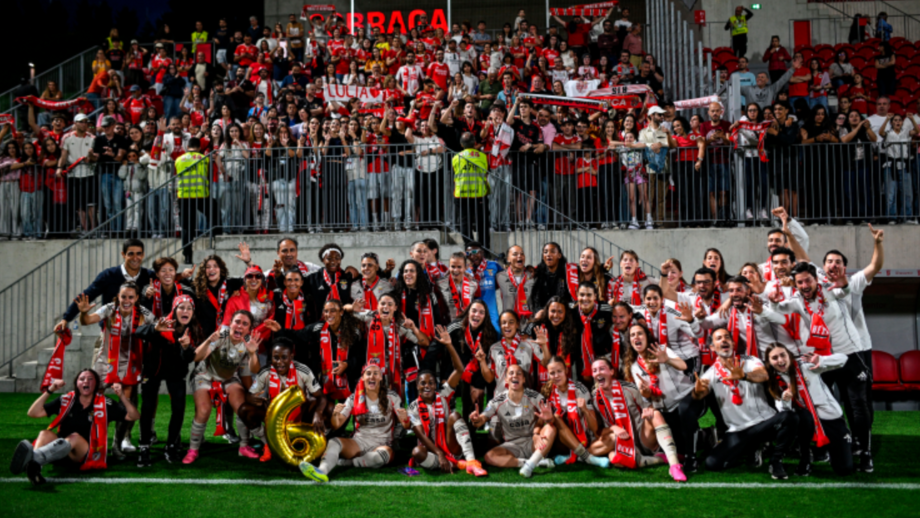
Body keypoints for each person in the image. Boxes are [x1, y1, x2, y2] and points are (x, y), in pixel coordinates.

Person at [768, 262, 874, 471]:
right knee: (812, 402)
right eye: (800, 282)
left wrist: (843, 285)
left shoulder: (829, 289)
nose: (805, 285)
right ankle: (818, 448)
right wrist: (772, 303)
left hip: (849, 354)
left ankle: (864, 453)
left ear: (817, 279)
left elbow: (844, 291)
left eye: (808, 280)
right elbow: (780, 309)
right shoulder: (798, 300)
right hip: (820, 357)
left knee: (857, 405)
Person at [692, 328, 797, 479]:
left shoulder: (749, 360)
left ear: (733, 343)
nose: (724, 340)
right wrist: (697, 392)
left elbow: (764, 374)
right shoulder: (711, 373)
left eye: (727, 337)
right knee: (712, 464)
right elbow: (699, 395)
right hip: (738, 431)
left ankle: (775, 461)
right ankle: (752, 448)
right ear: (712, 348)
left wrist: (745, 376)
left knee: (790, 417)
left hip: (764, 423)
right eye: (719, 338)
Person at [10, 369, 139, 486]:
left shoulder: (105, 402)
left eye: (90, 379)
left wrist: (122, 395)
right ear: (77, 384)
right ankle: (35, 469)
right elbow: (33, 413)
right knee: (45, 433)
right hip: (59, 449)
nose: (86, 381)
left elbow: (134, 416)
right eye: (82, 379)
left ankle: (34, 459)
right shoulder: (66, 399)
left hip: (84, 453)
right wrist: (50, 390)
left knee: (75, 437)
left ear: (96, 384)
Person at [74, 282, 153, 456]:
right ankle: (93, 443)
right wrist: (83, 312)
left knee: (125, 404)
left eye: (131, 297)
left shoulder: (144, 314)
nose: (126, 300)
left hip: (129, 362)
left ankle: (117, 444)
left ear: (137, 298)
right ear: (118, 296)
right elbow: (87, 321)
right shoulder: (109, 309)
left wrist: (158, 329)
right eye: (123, 296)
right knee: (95, 402)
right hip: (105, 360)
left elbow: (158, 329)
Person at [299, 364, 406, 482]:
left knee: (380, 457)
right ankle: (322, 471)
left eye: (376, 373)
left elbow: (406, 425)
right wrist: (335, 414)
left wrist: (404, 419)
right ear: (363, 378)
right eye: (368, 373)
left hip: (382, 444)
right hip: (359, 442)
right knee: (334, 442)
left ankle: (349, 463)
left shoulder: (392, 397)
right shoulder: (354, 398)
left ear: (381, 377)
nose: (372, 377)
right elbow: (336, 425)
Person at [588, 357, 686, 481]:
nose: (598, 373)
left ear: (611, 372)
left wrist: (648, 410)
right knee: (614, 458)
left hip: (643, 438)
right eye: (595, 370)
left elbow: (649, 407)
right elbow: (598, 431)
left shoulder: (629, 388)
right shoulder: (595, 399)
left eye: (602, 369)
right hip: (621, 442)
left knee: (655, 415)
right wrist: (613, 428)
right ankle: (661, 459)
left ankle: (674, 464)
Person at [623, 321, 703, 472]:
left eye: (639, 333)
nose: (636, 337)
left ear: (647, 337)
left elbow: (684, 366)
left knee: (684, 412)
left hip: (688, 396)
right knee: (678, 445)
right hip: (668, 408)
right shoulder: (634, 366)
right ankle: (706, 436)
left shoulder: (661, 349)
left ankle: (692, 460)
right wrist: (646, 392)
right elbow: (646, 397)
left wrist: (667, 360)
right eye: (632, 335)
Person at [184, 310, 262, 463]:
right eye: (237, 322)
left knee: (242, 408)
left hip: (228, 378)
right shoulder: (222, 334)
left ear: (249, 329)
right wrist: (208, 341)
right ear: (230, 323)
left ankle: (244, 446)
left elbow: (253, 370)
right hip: (204, 376)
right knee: (204, 410)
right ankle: (193, 449)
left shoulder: (248, 341)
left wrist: (253, 354)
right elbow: (196, 357)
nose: (240, 326)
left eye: (245, 324)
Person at [764, 344, 854, 476]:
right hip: (807, 421)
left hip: (829, 418)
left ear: (789, 354)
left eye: (782, 355)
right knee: (802, 416)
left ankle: (827, 450)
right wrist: (785, 399)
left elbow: (843, 359)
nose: (780, 360)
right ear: (769, 362)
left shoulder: (805, 365)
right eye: (774, 358)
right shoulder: (774, 379)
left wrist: (821, 360)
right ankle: (805, 458)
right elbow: (785, 412)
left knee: (844, 469)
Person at [133, 294, 200, 466]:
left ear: (193, 312)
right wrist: (155, 329)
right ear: (175, 310)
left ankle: (171, 446)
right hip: (153, 370)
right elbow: (138, 332)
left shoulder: (193, 329)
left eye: (189, 308)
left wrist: (186, 348)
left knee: (179, 409)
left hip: (176, 373)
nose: (185, 311)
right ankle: (144, 446)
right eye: (181, 307)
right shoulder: (163, 323)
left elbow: (189, 358)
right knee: (147, 408)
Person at [239, 337, 326, 462]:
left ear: (291, 356)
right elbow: (249, 394)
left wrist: (318, 413)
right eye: (276, 357)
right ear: (271, 357)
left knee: (326, 407)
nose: (280, 362)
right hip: (275, 419)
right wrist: (253, 399)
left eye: (284, 357)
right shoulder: (266, 371)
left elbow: (320, 397)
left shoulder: (303, 370)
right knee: (244, 409)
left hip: (299, 419)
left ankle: (322, 443)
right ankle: (268, 442)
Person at [408, 339, 488, 475]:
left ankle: (471, 462)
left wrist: (449, 345)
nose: (427, 386)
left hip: (451, 446)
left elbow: (459, 369)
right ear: (417, 386)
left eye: (431, 383)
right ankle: (452, 463)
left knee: (454, 415)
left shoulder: (443, 394)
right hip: (431, 451)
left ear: (435, 385)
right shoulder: (413, 407)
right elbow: (421, 436)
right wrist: (439, 454)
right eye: (423, 383)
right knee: (417, 452)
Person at [469, 364, 557, 477]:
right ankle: (532, 463)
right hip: (512, 445)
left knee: (551, 428)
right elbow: (481, 420)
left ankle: (530, 465)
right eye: (511, 373)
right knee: (489, 457)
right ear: (505, 379)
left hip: (533, 443)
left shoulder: (535, 397)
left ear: (524, 379)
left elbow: (551, 419)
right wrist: (476, 419)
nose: (515, 375)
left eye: (519, 373)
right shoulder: (497, 401)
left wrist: (548, 419)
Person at [451, 132, 490, 249]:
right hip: (479, 194)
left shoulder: (456, 157)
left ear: (461, 144)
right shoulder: (482, 156)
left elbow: (455, 172)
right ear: (474, 143)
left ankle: (469, 246)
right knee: (482, 222)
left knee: (464, 222)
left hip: (461, 194)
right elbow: (485, 173)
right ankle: (484, 248)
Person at [175, 137, 210, 263]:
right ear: (199, 148)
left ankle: (187, 256)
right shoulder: (204, 158)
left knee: (186, 227)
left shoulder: (179, 159)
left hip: (184, 196)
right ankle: (215, 236)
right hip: (201, 195)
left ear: (187, 147)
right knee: (213, 213)